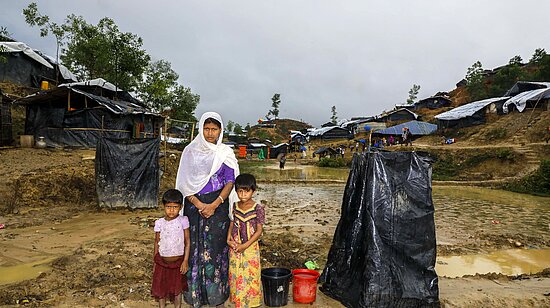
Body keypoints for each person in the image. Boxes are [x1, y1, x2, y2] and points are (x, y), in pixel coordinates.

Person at [175, 112, 240, 307]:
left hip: (218, 207)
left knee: (216, 249)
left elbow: (230, 180)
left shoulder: (224, 152)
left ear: (220, 131)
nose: (210, 133)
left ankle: (215, 295)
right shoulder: (190, 151)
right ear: (201, 129)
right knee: (193, 246)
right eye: (207, 128)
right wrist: (198, 203)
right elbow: (184, 182)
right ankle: (194, 294)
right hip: (194, 206)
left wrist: (215, 204)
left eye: (214, 129)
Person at [227, 174, 264, 308]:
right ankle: (238, 301)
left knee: (251, 274)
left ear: (253, 191)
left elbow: (259, 231)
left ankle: (251, 302)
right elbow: (232, 223)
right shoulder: (235, 206)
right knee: (235, 272)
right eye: (240, 191)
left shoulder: (258, 208)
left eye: (246, 191)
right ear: (236, 191)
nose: (243, 195)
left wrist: (246, 245)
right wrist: (228, 239)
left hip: (250, 247)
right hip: (235, 245)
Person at [151, 189, 191, 308]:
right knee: (161, 288)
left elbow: (187, 241)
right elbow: (157, 242)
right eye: (168, 207)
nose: (171, 210)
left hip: (178, 263)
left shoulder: (183, 221)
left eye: (175, 207)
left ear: (181, 207)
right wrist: (154, 262)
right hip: (162, 262)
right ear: (163, 206)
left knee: (177, 289)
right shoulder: (159, 223)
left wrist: (185, 261)